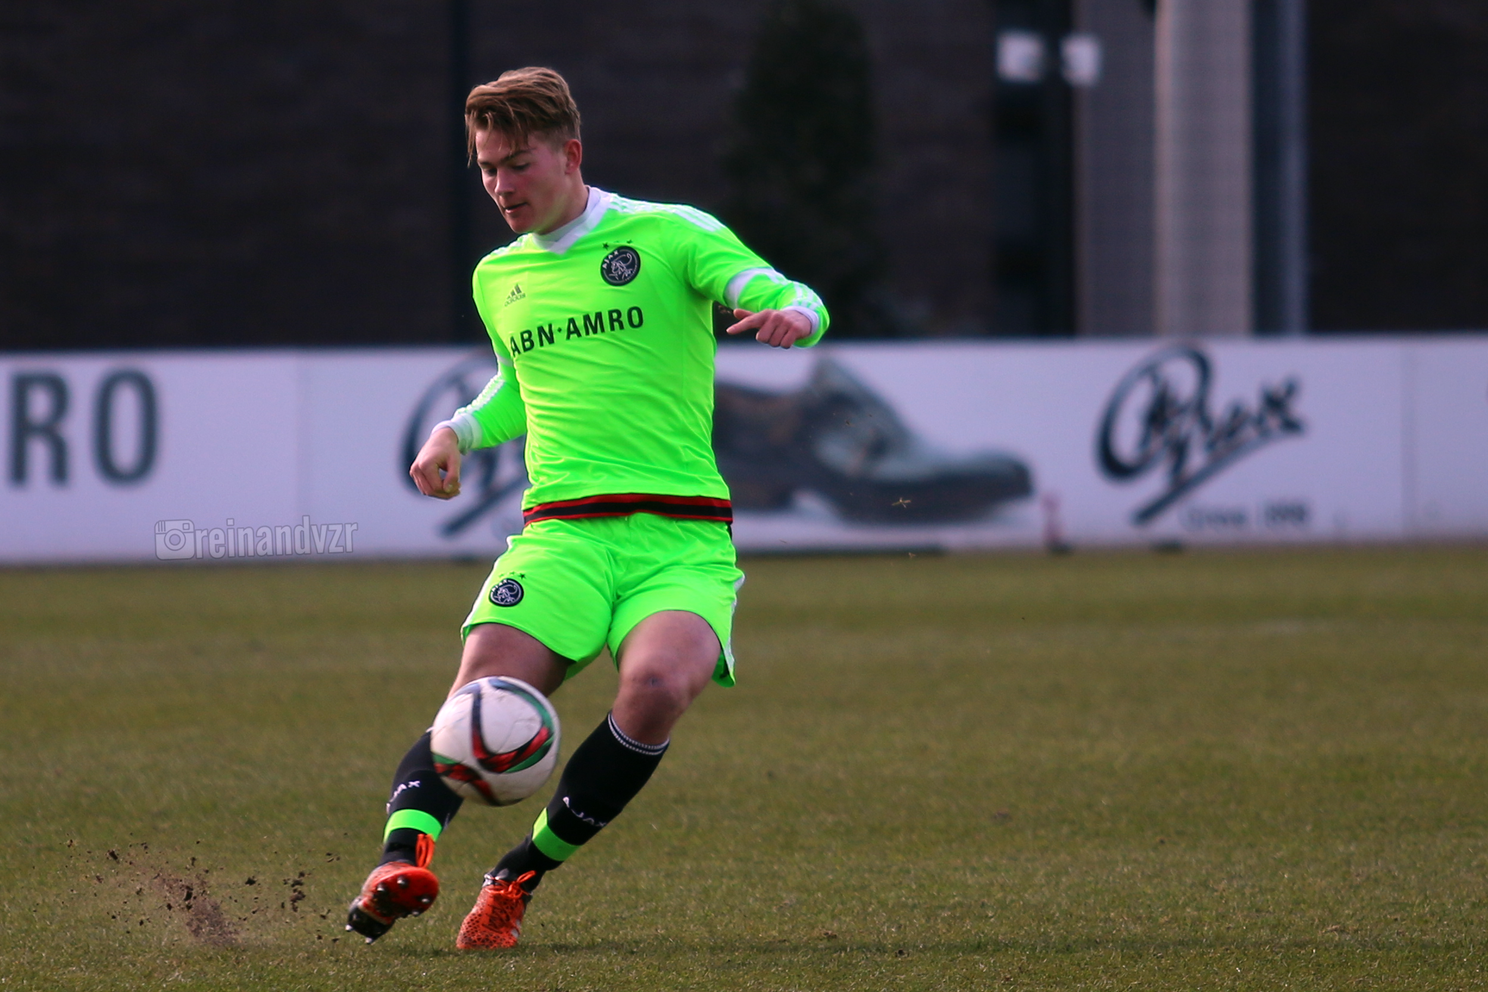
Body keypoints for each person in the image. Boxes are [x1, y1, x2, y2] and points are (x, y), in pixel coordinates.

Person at [346, 66, 829, 949]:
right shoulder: (500, 276)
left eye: (516, 164)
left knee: (656, 689)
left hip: (679, 539)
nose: (499, 186)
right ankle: (397, 863)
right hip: (562, 533)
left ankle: (515, 880)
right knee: (482, 697)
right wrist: (455, 429)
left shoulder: (670, 234)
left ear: (570, 154)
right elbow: (520, 391)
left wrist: (794, 312)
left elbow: (784, 290)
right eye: (486, 168)